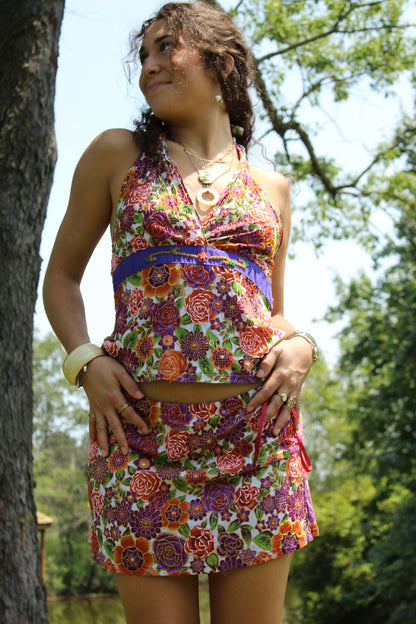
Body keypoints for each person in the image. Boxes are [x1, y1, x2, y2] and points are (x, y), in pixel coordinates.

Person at [43, 2, 319, 623]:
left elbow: (272, 311)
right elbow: (60, 279)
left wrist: (301, 343)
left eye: (167, 47)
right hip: (138, 439)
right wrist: (84, 360)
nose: (149, 66)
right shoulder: (117, 155)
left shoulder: (272, 187)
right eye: (144, 55)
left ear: (221, 62)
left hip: (256, 443)